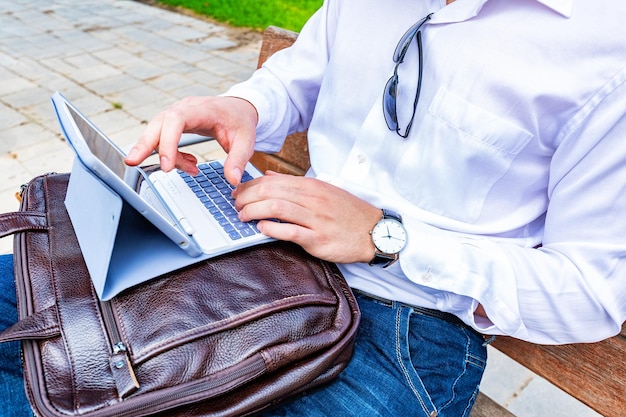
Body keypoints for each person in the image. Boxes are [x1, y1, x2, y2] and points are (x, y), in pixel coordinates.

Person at [2, 0, 626, 415]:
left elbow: (593, 295)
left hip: (405, 326)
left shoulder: (604, 47)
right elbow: (297, 79)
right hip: (258, 246)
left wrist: (387, 237)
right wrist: (244, 107)